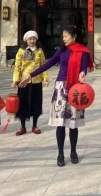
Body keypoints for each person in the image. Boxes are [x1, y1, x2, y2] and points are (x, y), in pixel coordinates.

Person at [19, 26, 93, 167]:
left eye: (66, 36)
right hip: (61, 88)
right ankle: (60, 154)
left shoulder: (83, 51)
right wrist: (30, 76)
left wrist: (83, 73)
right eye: (63, 36)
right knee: (60, 124)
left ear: (74, 37)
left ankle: (73, 152)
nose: (63, 39)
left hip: (75, 89)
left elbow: (84, 67)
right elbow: (47, 65)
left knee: (73, 124)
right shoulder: (61, 51)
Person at [12, 30, 48, 135]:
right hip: (24, 81)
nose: (32, 41)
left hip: (36, 81)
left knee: (36, 103)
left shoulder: (39, 51)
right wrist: (15, 80)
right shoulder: (21, 51)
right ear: (26, 40)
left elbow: (43, 65)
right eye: (30, 39)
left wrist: (45, 79)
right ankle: (22, 127)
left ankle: (35, 125)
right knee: (23, 103)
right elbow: (17, 66)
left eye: (34, 39)